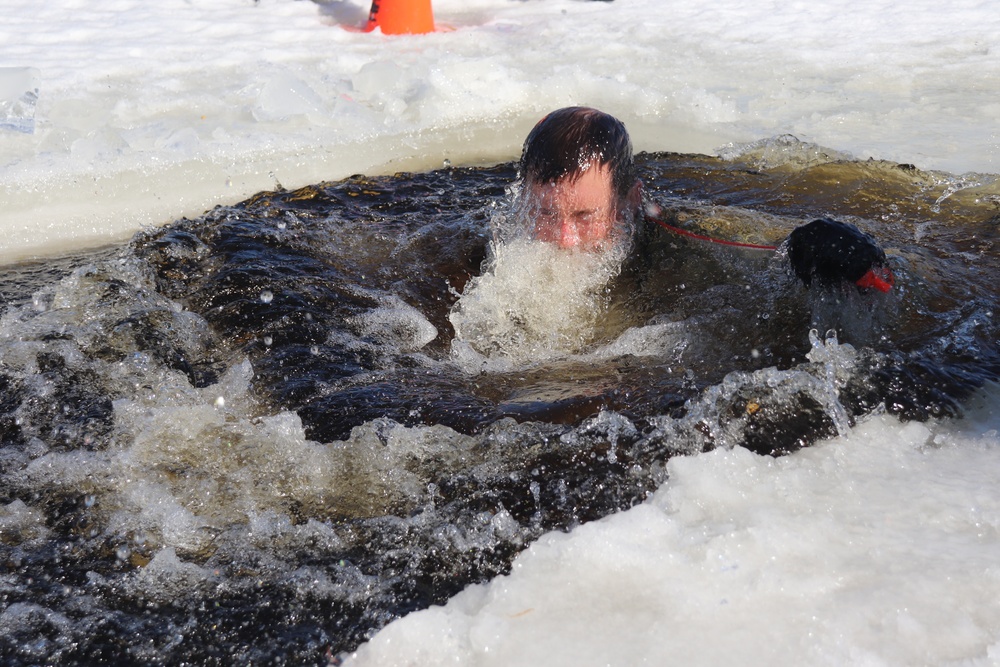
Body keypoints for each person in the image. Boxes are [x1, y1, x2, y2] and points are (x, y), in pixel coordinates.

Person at [516, 106, 894, 293]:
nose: (565, 239)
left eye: (585, 216)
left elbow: (765, 255)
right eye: (546, 213)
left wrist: (840, 257)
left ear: (630, 201)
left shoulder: (686, 246)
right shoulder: (492, 260)